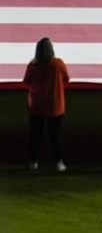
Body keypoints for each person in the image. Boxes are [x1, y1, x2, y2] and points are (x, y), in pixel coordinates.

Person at [23, 38, 69, 171]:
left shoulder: (32, 65)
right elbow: (66, 79)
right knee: (55, 136)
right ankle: (58, 163)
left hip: (36, 106)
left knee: (35, 135)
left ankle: (33, 162)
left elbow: (28, 81)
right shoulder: (58, 64)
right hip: (55, 106)